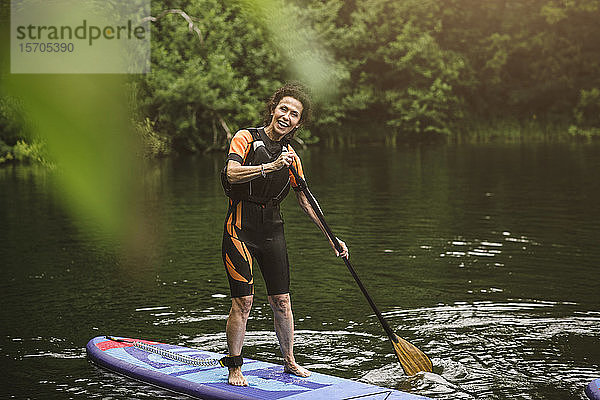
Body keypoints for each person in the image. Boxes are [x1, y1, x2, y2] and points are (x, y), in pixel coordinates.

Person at [220, 82, 349, 386]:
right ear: (273, 109)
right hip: (239, 230)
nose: (286, 116)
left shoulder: (292, 157)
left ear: (298, 123)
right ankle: (235, 367)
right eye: (283, 109)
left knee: (282, 301)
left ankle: (289, 361)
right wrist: (270, 166)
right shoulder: (245, 138)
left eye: (294, 114)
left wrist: (333, 238)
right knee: (244, 302)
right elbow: (231, 173)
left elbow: (305, 199)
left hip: (272, 232)